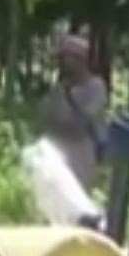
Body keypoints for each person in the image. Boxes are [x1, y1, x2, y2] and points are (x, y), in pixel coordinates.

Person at [37, 33, 108, 191]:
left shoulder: (95, 86)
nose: (61, 63)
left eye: (65, 58)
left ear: (79, 60)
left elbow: (84, 120)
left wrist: (69, 103)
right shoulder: (59, 88)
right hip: (57, 149)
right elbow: (45, 117)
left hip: (81, 151)